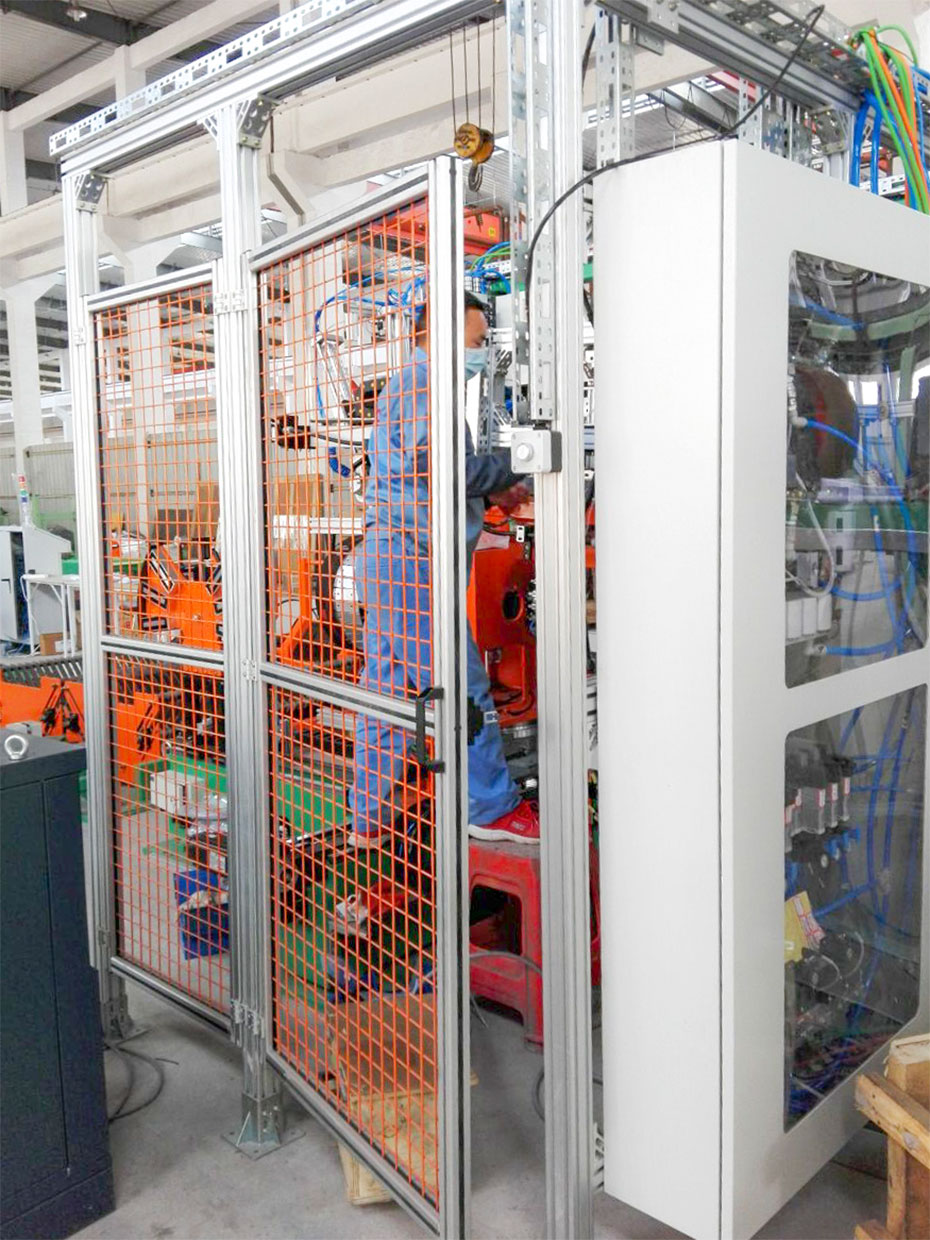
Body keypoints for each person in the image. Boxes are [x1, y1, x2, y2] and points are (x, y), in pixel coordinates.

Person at [348, 290, 540, 851]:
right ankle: (491, 808)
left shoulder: (419, 387)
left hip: (391, 560)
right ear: (444, 333)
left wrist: (491, 490)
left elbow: (434, 474)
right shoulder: (420, 382)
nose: (479, 354)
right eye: (476, 342)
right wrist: (523, 457)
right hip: (408, 561)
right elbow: (440, 464)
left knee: (386, 691)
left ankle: (368, 818)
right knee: (460, 684)